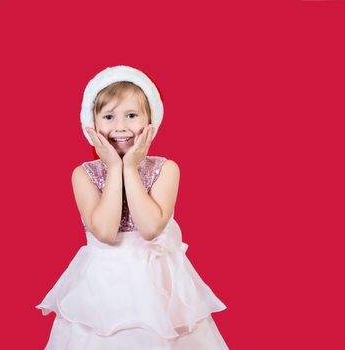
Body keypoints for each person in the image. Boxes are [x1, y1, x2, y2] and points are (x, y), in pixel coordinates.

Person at [35, 65, 228, 349]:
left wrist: (131, 167)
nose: (120, 126)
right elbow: (105, 231)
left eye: (132, 115)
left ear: (150, 122)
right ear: (92, 123)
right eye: (109, 116)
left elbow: (150, 228)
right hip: (103, 286)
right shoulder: (84, 174)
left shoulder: (166, 169)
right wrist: (115, 167)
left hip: (160, 287)